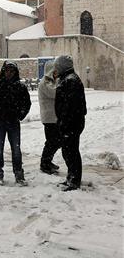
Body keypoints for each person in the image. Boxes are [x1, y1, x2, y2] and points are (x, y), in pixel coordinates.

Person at [0, 61, 31, 186]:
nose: (9, 73)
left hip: (13, 122)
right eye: (7, 71)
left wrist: (20, 115)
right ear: (3, 71)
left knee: (16, 149)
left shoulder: (20, 87)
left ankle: (19, 173)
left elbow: (26, 103)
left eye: (12, 71)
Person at [54, 55, 87, 192]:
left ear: (62, 66)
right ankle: (71, 177)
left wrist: (65, 121)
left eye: (57, 66)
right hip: (68, 122)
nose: (55, 69)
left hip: (71, 123)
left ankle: (74, 180)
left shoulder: (71, 81)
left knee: (71, 152)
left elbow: (72, 106)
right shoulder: (66, 79)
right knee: (68, 151)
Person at [38, 60, 61, 175]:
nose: (57, 73)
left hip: (54, 117)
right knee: (52, 142)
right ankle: (44, 163)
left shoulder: (52, 81)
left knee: (56, 141)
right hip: (49, 117)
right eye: (55, 71)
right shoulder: (45, 83)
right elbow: (55, 93)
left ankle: (48, 161)